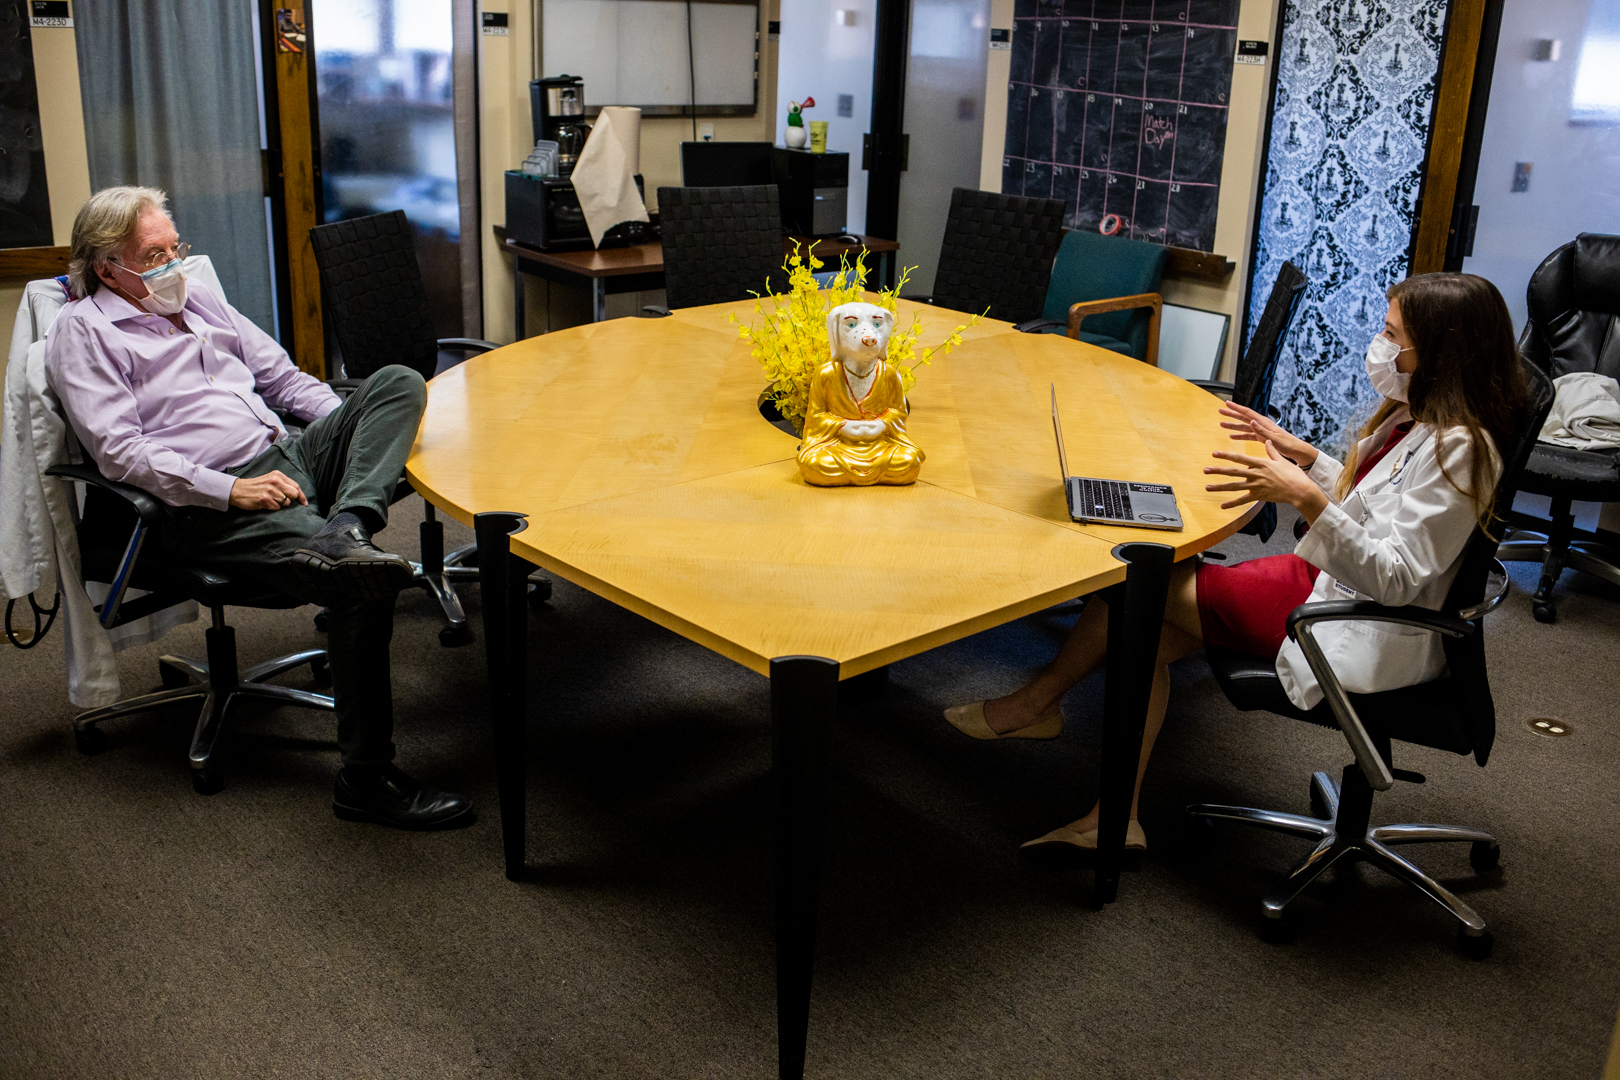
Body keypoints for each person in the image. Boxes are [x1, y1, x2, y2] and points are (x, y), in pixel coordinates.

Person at [943, 273, 1530, 853]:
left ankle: (1042, 713)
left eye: (1392, 334)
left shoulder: (1463, 450)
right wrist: (1311, 462)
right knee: (1139, 626)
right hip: (1326, 584)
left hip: (1350, 617)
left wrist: (1303, 494)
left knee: (1135, 593)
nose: (1381, 345)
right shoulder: (1425, 417)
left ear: (1441, 352)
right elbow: (1378, 508)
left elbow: (1397, 578)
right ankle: (1093, 792)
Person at [44, 185, 473, 831]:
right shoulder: (83, 333)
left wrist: (350, 430)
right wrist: (230, 488)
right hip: (207, 503)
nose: (171, 266)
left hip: (289, 455)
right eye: (152, 257)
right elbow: (121, 455)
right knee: (362, 586)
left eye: (174, 248)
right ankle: (365, 778)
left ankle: (348, 524)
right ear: (108, 268)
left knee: (396, 383)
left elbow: (285, 380)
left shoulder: (199, 297)